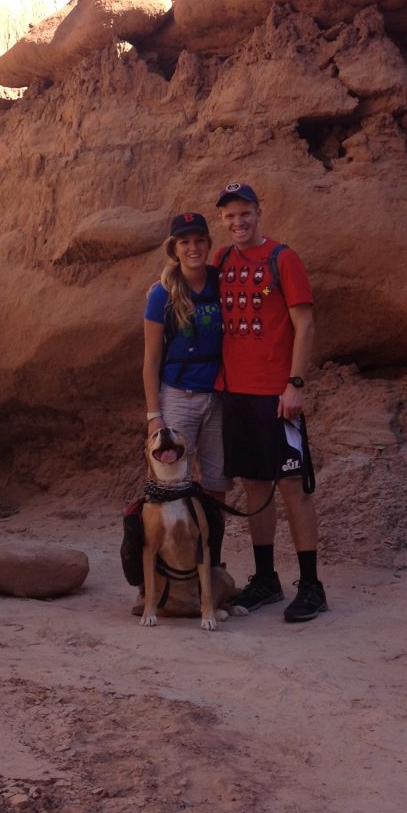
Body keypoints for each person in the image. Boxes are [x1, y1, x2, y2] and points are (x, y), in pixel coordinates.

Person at [214, 180, 327, 622]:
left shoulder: (284, 259)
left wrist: (295, 384)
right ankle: (266, 579)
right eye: (229, 216)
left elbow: (306, 325)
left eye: (244, 213)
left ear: (258, 213)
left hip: (277, 396)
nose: (237, 222)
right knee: (255, 487)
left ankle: (312, 585)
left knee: (292, 487)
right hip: (235, 394)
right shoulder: (222, 260)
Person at [141, 211, 231, 557]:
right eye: (185, 242)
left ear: (209, 244)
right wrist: (154, 414)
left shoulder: (220, 282)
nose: (193, 248)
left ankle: (212, 565)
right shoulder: (161, 294)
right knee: (167, 484)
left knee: (217, 483)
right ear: (174, 249)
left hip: (217, 396)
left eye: (199, 240)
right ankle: (160, 574)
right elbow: (150, 360)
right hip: (177, 396)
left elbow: (262, 291)